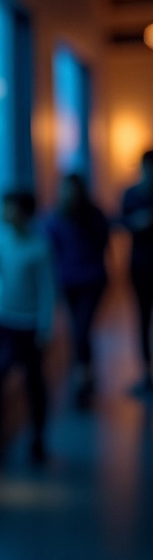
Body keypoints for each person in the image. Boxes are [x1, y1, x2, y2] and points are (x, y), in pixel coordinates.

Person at [0, 190, 56, 465]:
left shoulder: (39, 247)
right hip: (3, 322)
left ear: (21, 211)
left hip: (28, 325)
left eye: (7, 207)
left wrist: (45, 329)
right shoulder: (2, 241)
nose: (2, 212)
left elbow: (47, 291)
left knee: (34, 384)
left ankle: (38, 439)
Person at [42, 172, 111, 408]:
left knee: (81, 330)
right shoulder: (55, 218)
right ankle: (84, 378)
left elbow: (103, 244)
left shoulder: (93, 215)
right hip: (69, 283)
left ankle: (82, 381)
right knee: (80, 331)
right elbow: (48, 249)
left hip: (91, 281)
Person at [121, 149, 153, 394]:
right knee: (142, 319)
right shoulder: (131, 194)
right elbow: (119, 222)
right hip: (140, 265)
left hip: (142, 263)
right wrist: (136, 222)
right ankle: (147, 372)